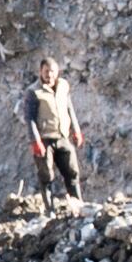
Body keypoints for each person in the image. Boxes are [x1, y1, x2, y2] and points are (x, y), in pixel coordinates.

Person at [26, 59, 86, 203]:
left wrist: (76, 131)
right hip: (45, 139)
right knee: (46, 175)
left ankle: (77, 203)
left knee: (72, 171)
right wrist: (36, 141)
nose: (49, 75)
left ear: (57, 71)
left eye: (52, 71)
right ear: (40, 71)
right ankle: (49, 209)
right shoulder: (34, 92)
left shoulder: (63, 86)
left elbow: (69, 109)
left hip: (62, 136)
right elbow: (30, 119)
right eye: (46, 71)